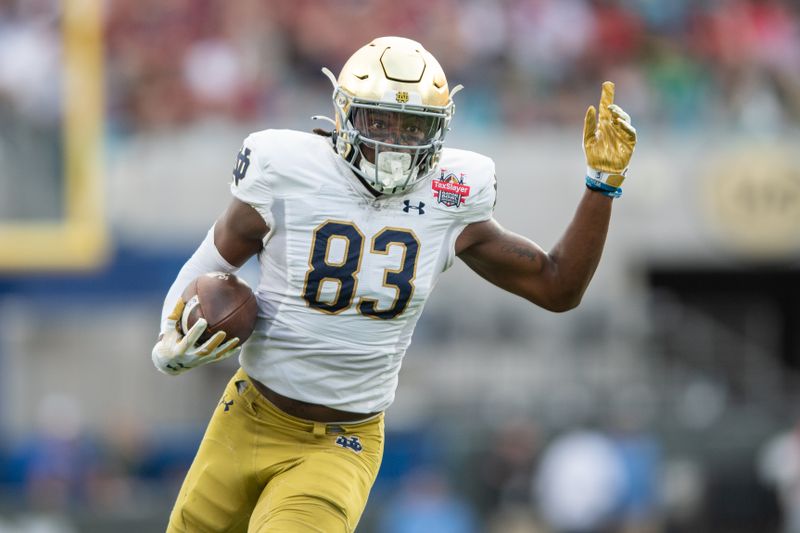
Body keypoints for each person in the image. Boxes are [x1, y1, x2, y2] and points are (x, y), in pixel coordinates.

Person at [150, 36, 637, 532]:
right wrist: (169, 341)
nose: (393, 142)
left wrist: (602, 184)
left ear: (439, 129)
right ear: (345, 116)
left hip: (340, 440)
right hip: (248, 414)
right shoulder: (286, 172)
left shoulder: (452, 201)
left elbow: (557, 288)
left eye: (412, 126)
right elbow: (209, 261)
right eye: (378, 120)